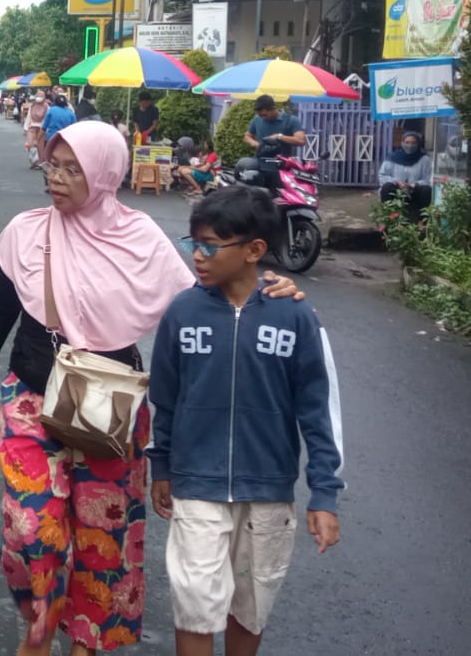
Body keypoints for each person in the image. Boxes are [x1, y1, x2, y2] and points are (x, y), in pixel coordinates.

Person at [0, 123, 304, 656]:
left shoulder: (140, 238)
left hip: (113, 408)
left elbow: (208, 296)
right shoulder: (26, 232)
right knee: (32, 531)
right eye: (54, 164)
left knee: (104, 538)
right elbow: (0, 307)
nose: (58, 178)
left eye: (74, 168)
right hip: (31, 397)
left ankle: (86, 641)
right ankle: (40, 628)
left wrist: (269, 288)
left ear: (103, 175)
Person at [149, 186, 344, 656]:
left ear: (254, 251)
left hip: (268, 492)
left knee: (251, 605)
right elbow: (166, 397)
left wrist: (324, 494)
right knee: (194, 604)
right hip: (196, 485)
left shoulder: (295, 316)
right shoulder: (182, 313)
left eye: (212, 246)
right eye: (193, 242)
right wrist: (162, 466)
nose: (198, 255)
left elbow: (318, 409)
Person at [238, 94, 307, 180]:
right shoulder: (257, 119)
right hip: (260, 166)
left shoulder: (291, 120)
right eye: (260, 115)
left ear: (273, 109)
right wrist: (255, 144)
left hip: (282, 168)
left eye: (265, 115)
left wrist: (279, 136)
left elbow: (301, 140)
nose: (262, 117)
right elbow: (247, 136)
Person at [378, 130, 432, 216]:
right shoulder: (393, 157)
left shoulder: (425, 160)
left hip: (414, 190)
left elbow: (427, 179)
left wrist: (415, 184)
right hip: (397, 189)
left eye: (413, 143)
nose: (410, 145)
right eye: (407, 142)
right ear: (402, 143)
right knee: (387, 187)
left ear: (418, 144)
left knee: (427, 190)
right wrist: (396, 182)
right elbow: (382, 175)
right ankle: (388, 219)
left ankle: (422, 221)